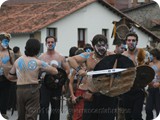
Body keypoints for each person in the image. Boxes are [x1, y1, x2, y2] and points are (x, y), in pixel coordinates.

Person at [68, 34, 116, 120]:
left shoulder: (112, 56)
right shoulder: (88, 56)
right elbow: (70, 59)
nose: (102, 48)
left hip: (107, 96)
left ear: (107, 45)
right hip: (91, 95)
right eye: (99, 45)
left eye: (103, 45)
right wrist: (79, 70)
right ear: (93, 46)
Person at [7, 38, 58, 120]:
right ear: (37, 50)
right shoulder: (38, 62)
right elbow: (55, 71)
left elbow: (10, 76)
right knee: (31, 115)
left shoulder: (18, 61)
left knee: (21, 115)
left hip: (20, 89)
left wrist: (19, 78)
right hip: (32, 89)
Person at [39, 36, 70, 120]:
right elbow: (37, 71)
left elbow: (67, 70)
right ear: (46, 44)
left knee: (55, 108)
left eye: (52, 42)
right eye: (48, 42)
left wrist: (61, 81)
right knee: (43, 106)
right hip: (44, 85)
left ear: (55, 43)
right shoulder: (41, 57)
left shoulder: (60, 57)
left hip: (56, 86)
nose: (50, 44)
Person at [122, 32, 149, 120]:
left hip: (139, 89)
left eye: (133, 40)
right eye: (129, 40)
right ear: (126, 42)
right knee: (128, 116)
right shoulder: (123, 56)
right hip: (126, 89)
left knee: (137, 116)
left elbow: (150, 68)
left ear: (137, 42)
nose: (131, 42)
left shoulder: (143, 54)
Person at [0, 32, 14, 119]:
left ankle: (3, 113)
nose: (6, 43)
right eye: (5, 41)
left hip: (6, 79)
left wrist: (6, 67)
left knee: (5, 98)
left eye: (7, 41)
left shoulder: (10, 52)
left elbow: (14, 66)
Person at [69, 49, 86, 120]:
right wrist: (72, 96)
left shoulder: (90, 66)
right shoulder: (76, 69)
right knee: (78, 115)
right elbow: (70, 83)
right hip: (80, 92)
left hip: (89, 91)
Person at [145, 48, 160, 120]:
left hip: (158, 90)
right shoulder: (149, 64)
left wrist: (159, 83)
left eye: (150, 55)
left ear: (154, 55)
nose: (149, 56)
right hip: (150, 89)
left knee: (158, 110)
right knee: (148, 109)